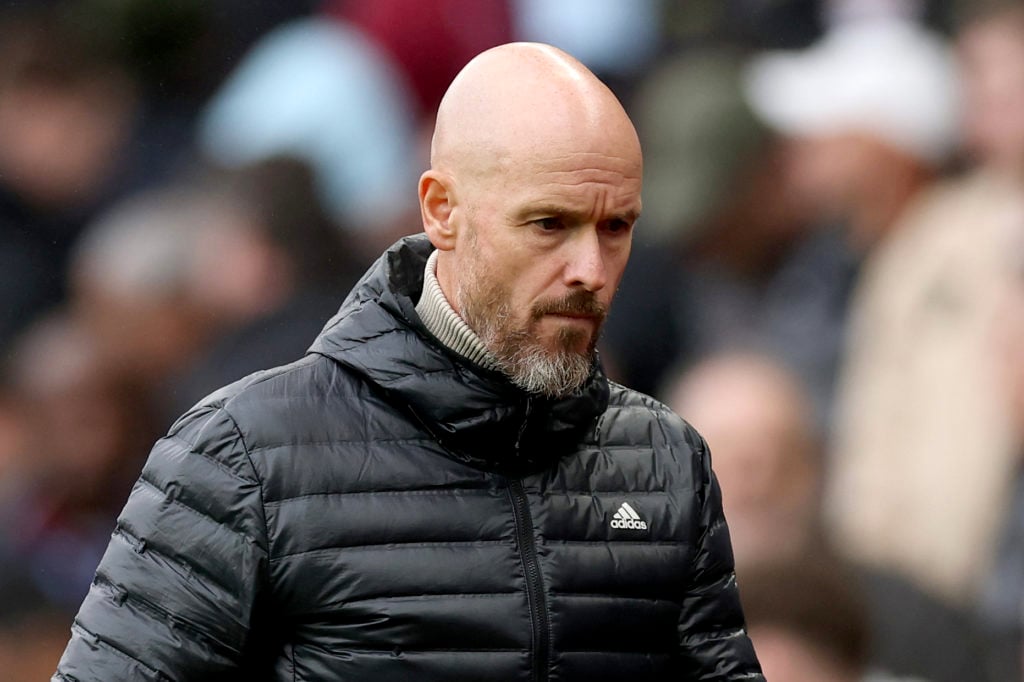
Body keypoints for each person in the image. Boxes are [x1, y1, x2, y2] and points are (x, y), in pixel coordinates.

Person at [52, 43, 763, 681]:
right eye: (549, 223)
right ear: (441, 210)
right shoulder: (240, 457)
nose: (591, 268)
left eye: (616, 228)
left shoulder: (664, 462)